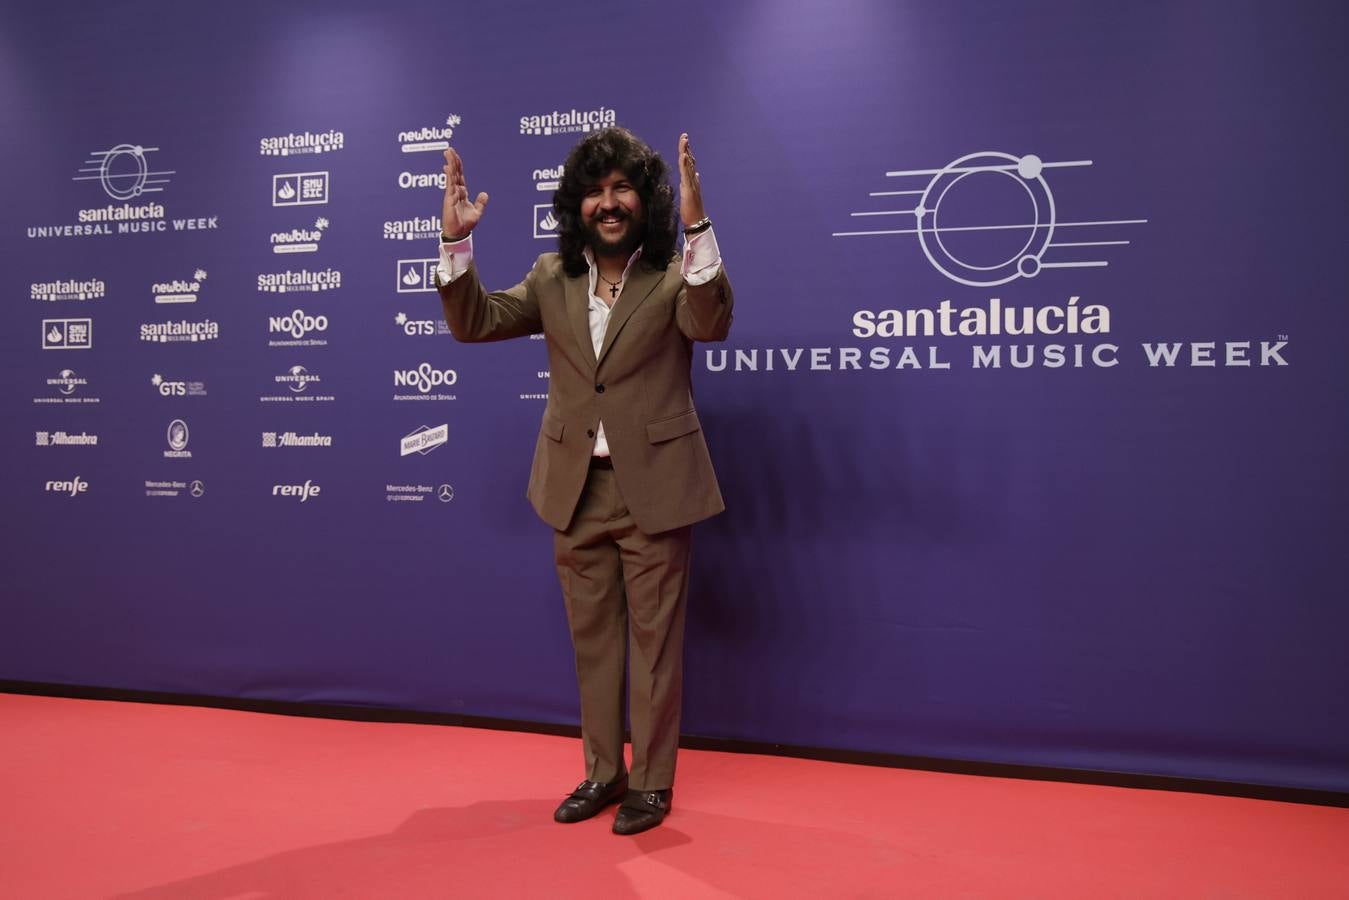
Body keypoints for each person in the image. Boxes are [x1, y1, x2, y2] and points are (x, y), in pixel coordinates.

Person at [434, 127, 733, 835]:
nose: (608, 202)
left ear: (645, 200)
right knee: (593, 643)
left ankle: (652, 785)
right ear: (576, 205)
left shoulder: (672, 274)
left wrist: (697, 224)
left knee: (654, 645)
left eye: (621, 188)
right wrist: (456, 245)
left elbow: (710, 322)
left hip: (654, 488)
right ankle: (603, 771)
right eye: (594, 191)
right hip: (574, 490)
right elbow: (474, 323)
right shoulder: (550, 277)